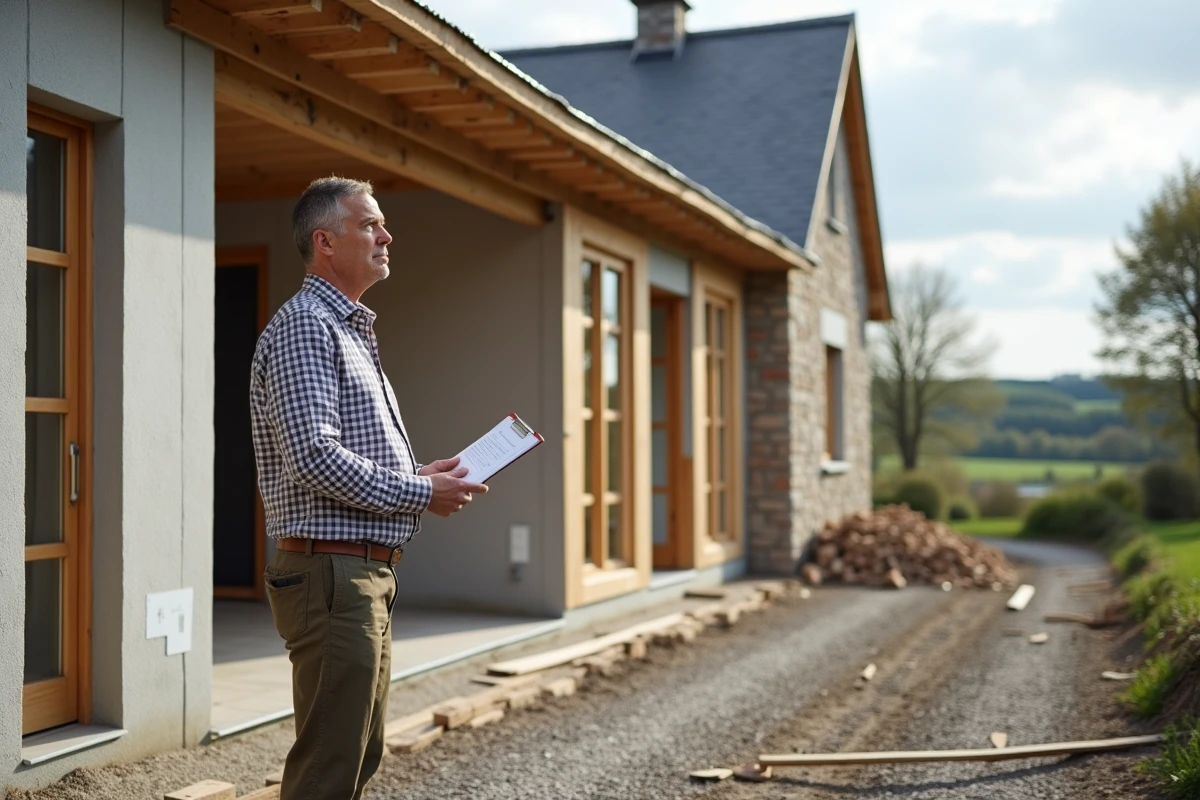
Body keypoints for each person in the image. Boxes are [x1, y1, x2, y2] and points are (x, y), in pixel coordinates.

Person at [249, 176, 487, 800]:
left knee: (358, 753)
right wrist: (418, 494)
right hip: (332, 576)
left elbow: (334, 453)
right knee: (330, 766)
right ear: (325, 242)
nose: (386, 235)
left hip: (358, 577)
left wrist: (421, 478)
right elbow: (314, 458)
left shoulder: (348, 328)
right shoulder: (308, 326)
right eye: (369, 225)